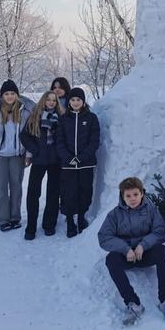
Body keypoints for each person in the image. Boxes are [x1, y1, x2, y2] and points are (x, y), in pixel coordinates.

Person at [98, 177, 165, 326]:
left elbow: (160, 231)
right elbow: (104, 237)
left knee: (161, 250)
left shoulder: (151, 210)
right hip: (126, 256)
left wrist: (143, 245)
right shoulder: (114, 215)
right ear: (122, 196)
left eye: (135, 194)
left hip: (145, 253)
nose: (132, 199)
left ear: (142, 193)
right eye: (128, 196)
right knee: (111, 259)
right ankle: (133, 304)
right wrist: (125, 249)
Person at [0, 80, 35, 232]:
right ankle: (3, 219)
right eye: (6, 94)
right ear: (1, 95)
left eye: (12, 94)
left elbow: (31, 133)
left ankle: (15, 217)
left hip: (18, 155)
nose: (9, 97)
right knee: (0, 189)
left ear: (17, 95)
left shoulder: (25, 111)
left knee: (16, 188)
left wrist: (29, 154)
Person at [56, 87, 100, 238]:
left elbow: (94, 142)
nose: (75, 102)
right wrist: (69, 158)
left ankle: (81, 217)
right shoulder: (63, 119)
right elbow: (59, 141)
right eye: (73, 100)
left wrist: (81, 157)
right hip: (68, 164)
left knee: (84, 191)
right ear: (69, 101)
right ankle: (69, 221)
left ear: (83, 101)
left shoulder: (91, 118)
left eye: (78, 100)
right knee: (69, 193)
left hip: (86, 163)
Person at [19, 91, 63, 240]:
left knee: (53, 193)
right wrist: (35, 150)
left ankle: (49, 224)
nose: (51, 103)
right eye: (48, 100)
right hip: (39, 160)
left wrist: (60, 152)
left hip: (56, 161)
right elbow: (24, 135)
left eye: (54, 101)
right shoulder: (35, 116)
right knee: (33, 193)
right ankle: (31, 226)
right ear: (43, 101)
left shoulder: (61, 118)